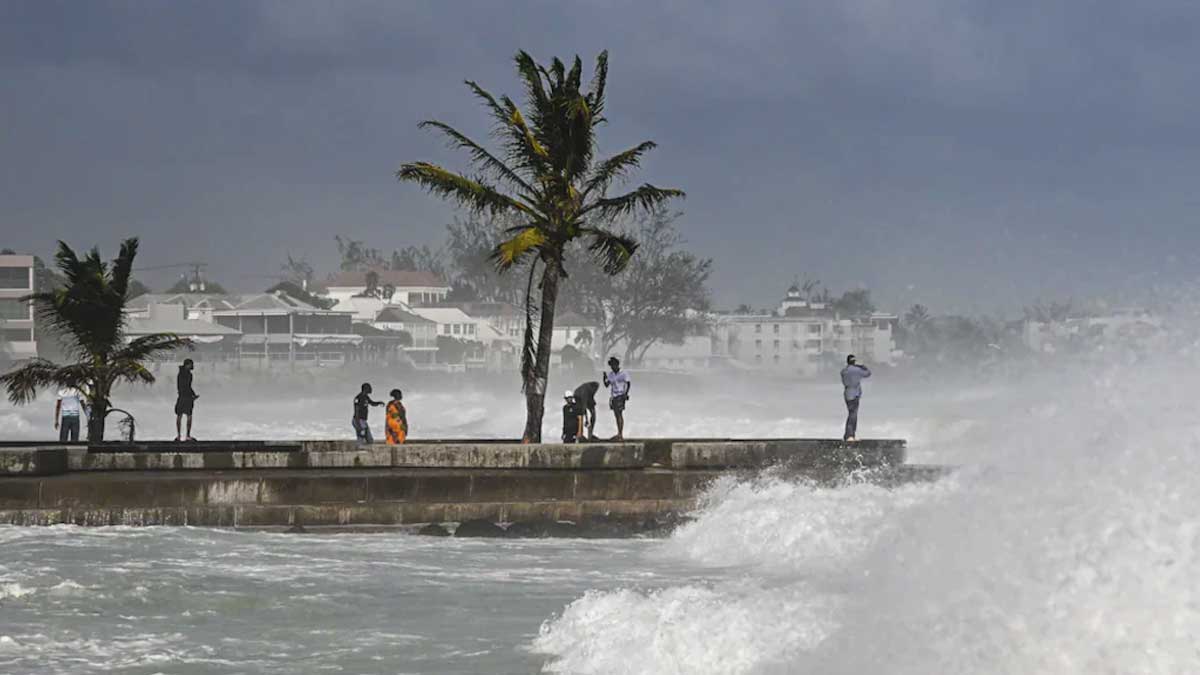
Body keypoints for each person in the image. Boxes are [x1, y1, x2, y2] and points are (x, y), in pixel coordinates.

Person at [840, 354, 871, 442]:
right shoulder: (857, 370)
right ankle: (850, 435)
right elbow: (868, 373)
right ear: (854, 361)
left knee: (851, 414)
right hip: (855, 394)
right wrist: (862, 366)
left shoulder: (844, 371)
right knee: (853, 415)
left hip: (847, 394)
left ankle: (849, 435)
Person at [602, 357, 631, 441]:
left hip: (621, 395)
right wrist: (604, 377)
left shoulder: (624, 373)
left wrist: (626, 394)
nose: (612, 367)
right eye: (611, 366)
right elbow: (607, 385)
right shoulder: (611, 374)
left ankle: (620, 434)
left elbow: (628, 384)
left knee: (619, 414)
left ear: (617, 365)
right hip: (614, 396)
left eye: (613, 365)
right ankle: (619, 433)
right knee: (616, 414)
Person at [174, 359, 198, 442]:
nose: (192, 366)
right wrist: (192, 395)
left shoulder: (180, 373)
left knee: (179, 415)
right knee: (189, 416)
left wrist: (193, 394)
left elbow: (183, 386)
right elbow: (187, 386)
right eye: (191, 364)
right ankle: (187, 436)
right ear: (187, 365)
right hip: (186, 397)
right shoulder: (188, 374)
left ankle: (179, 436)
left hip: (181, 396)